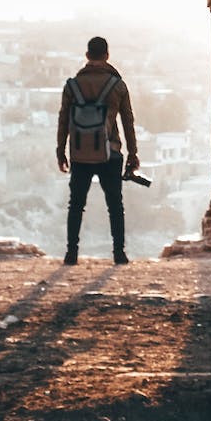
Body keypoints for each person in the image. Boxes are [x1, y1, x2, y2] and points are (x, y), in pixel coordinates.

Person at [56, 35, 140, 265]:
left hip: (80, 152)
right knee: (115, 205)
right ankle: (119, 253)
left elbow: (63, 120)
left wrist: (60, 150)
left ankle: (71, 253)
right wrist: (133, 154)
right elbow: (128, 122)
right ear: (107, 56)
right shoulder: (117, 86)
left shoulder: (72, 85)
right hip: (110, 152)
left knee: (76, 204)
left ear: (87, 56)